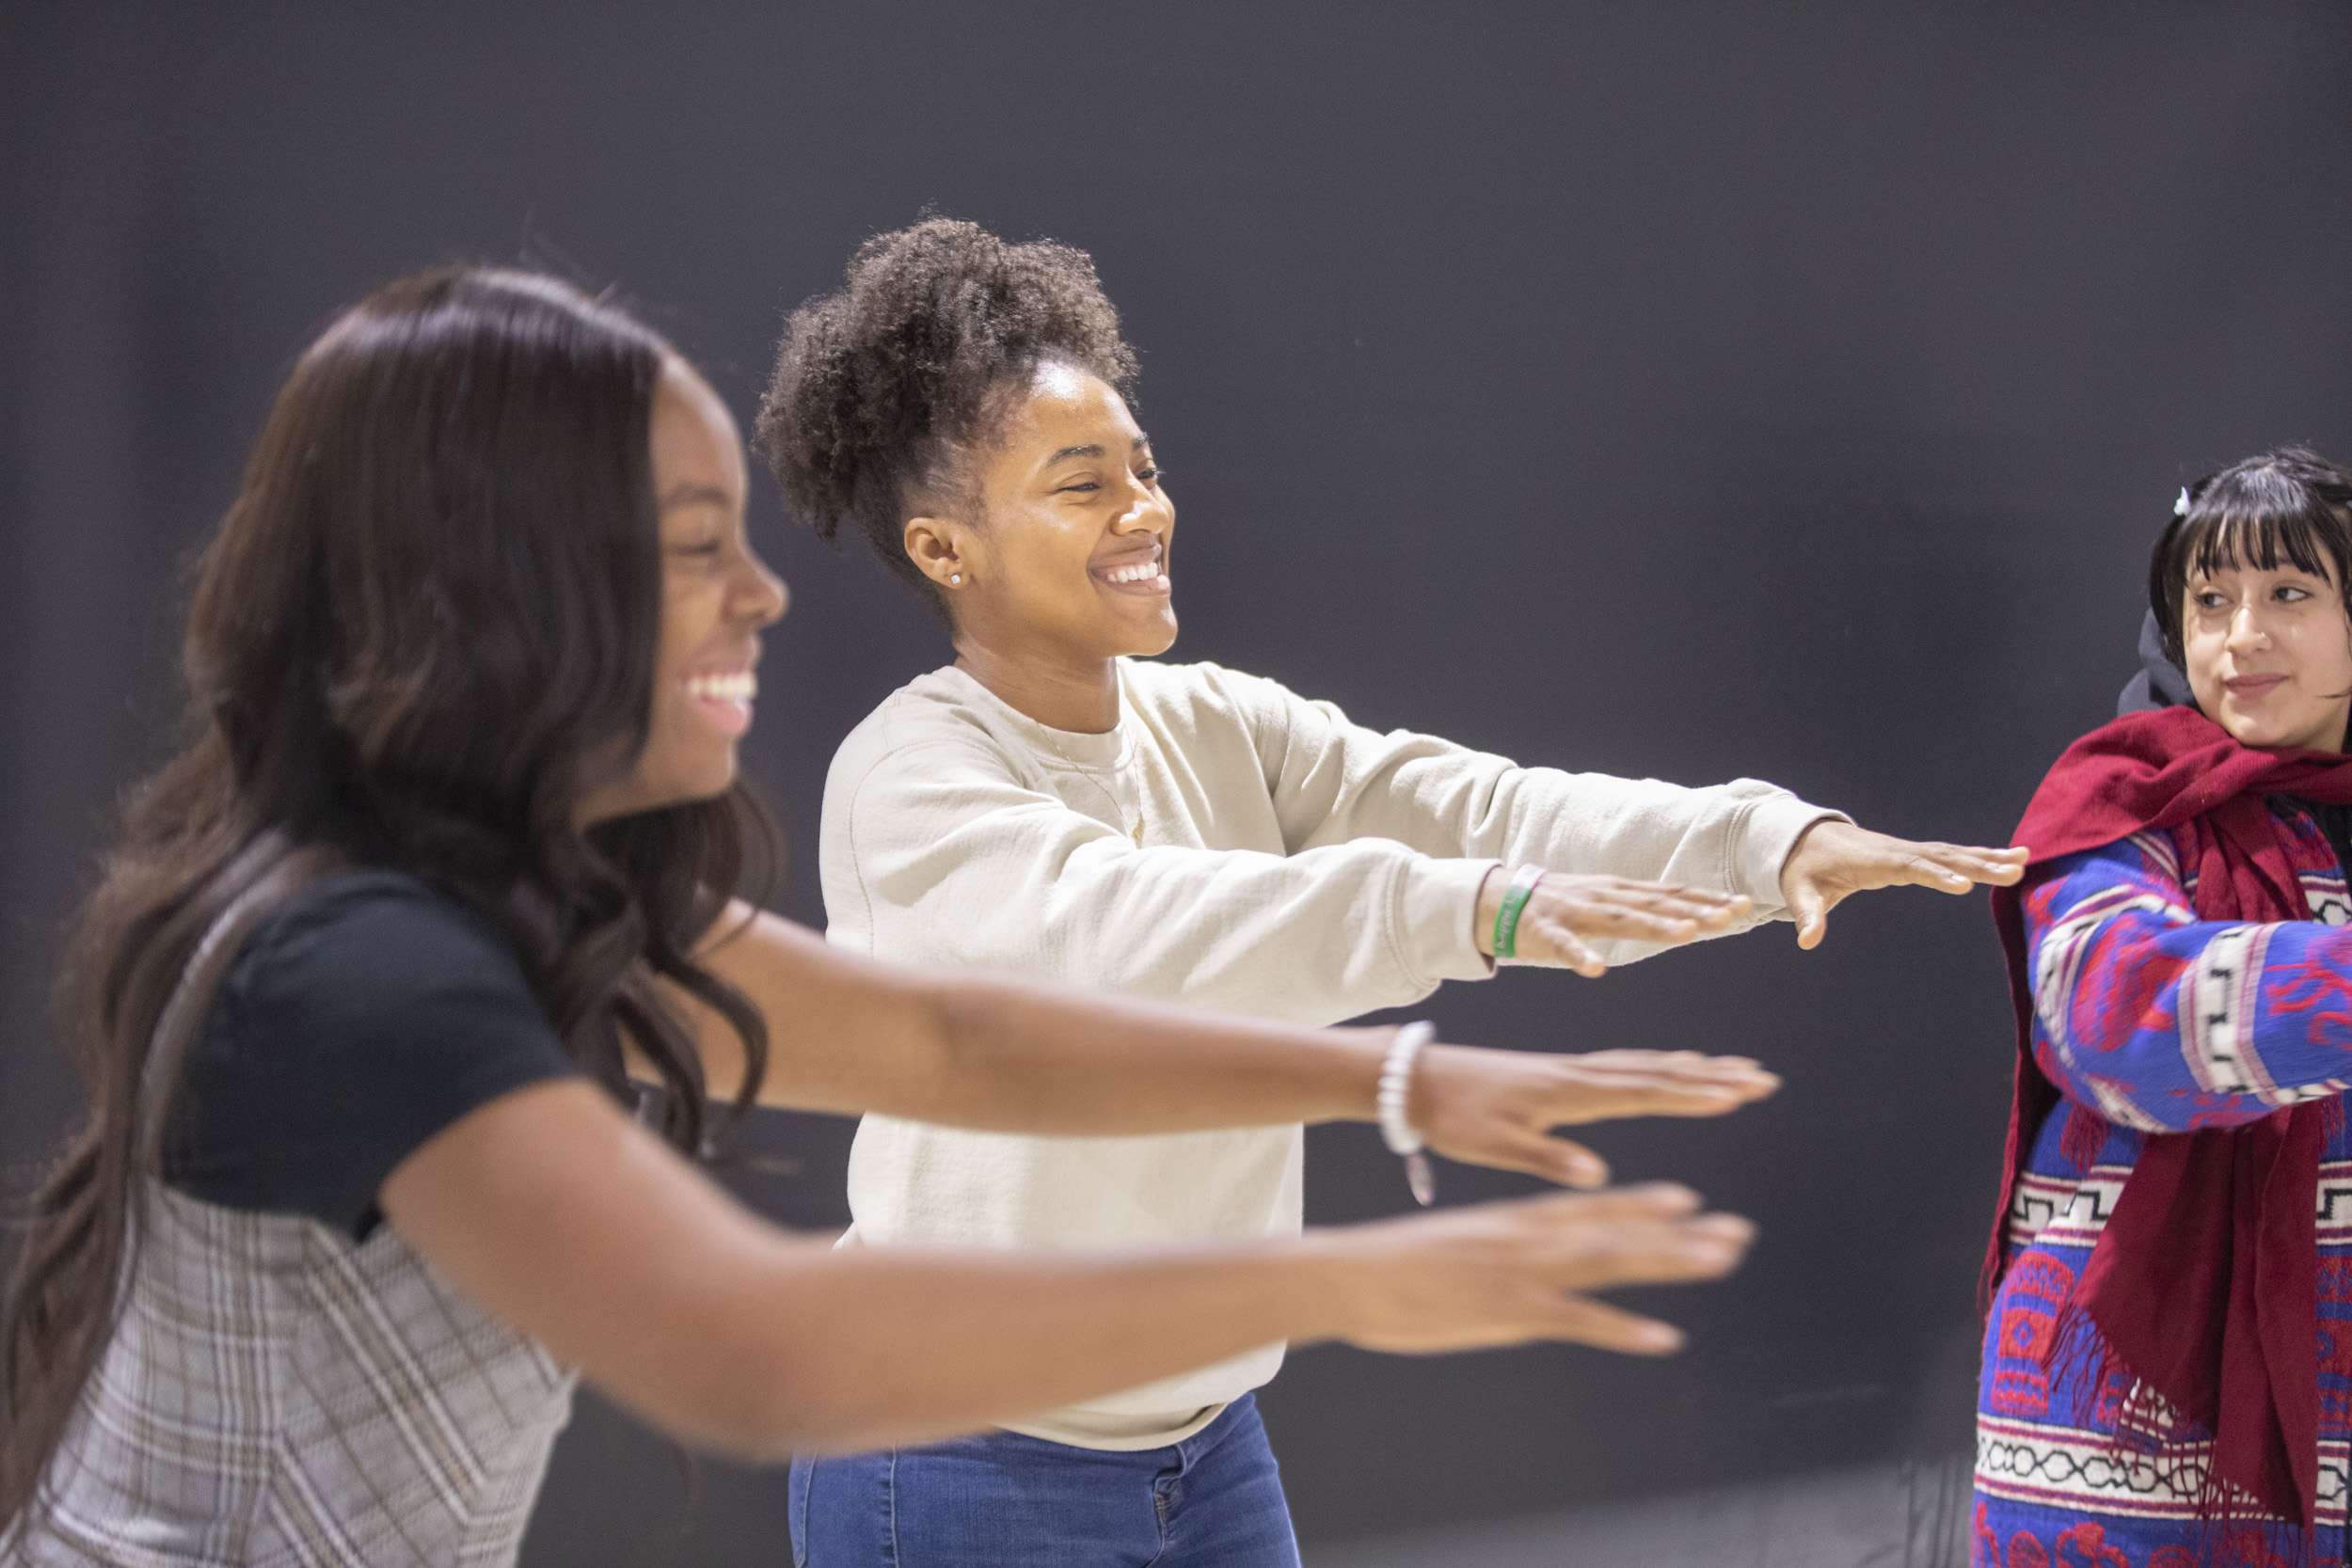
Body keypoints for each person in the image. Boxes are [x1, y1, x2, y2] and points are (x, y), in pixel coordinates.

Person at [0, 267, 1774, 1567]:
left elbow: (946, 1035)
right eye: (695, 542)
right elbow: (759, 1348)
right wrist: (1360, 1278)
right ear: (507, 584)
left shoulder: (545, 902)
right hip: (973, 1478)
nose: (767, 585)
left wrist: (1401, 1092)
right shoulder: (363, 968)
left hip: (1188, 1450)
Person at [756, 218, 2029, 1566]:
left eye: (1144, 465)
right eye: (1083, 484)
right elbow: (1140, 935)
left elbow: (1479, 799)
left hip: (1203, 1434)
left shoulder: (1216, 724)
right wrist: (1479, 911)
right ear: (946, 549)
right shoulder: (910, 777)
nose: (1145, 508)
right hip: (954, 1447)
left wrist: (1765, 842)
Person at [1977, 448, 2352, 1567]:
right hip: (2127, 1430)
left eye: (2288, 592)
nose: (2241, 633)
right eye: (2210, 598)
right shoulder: (2118, 803)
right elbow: (2118, 1014)